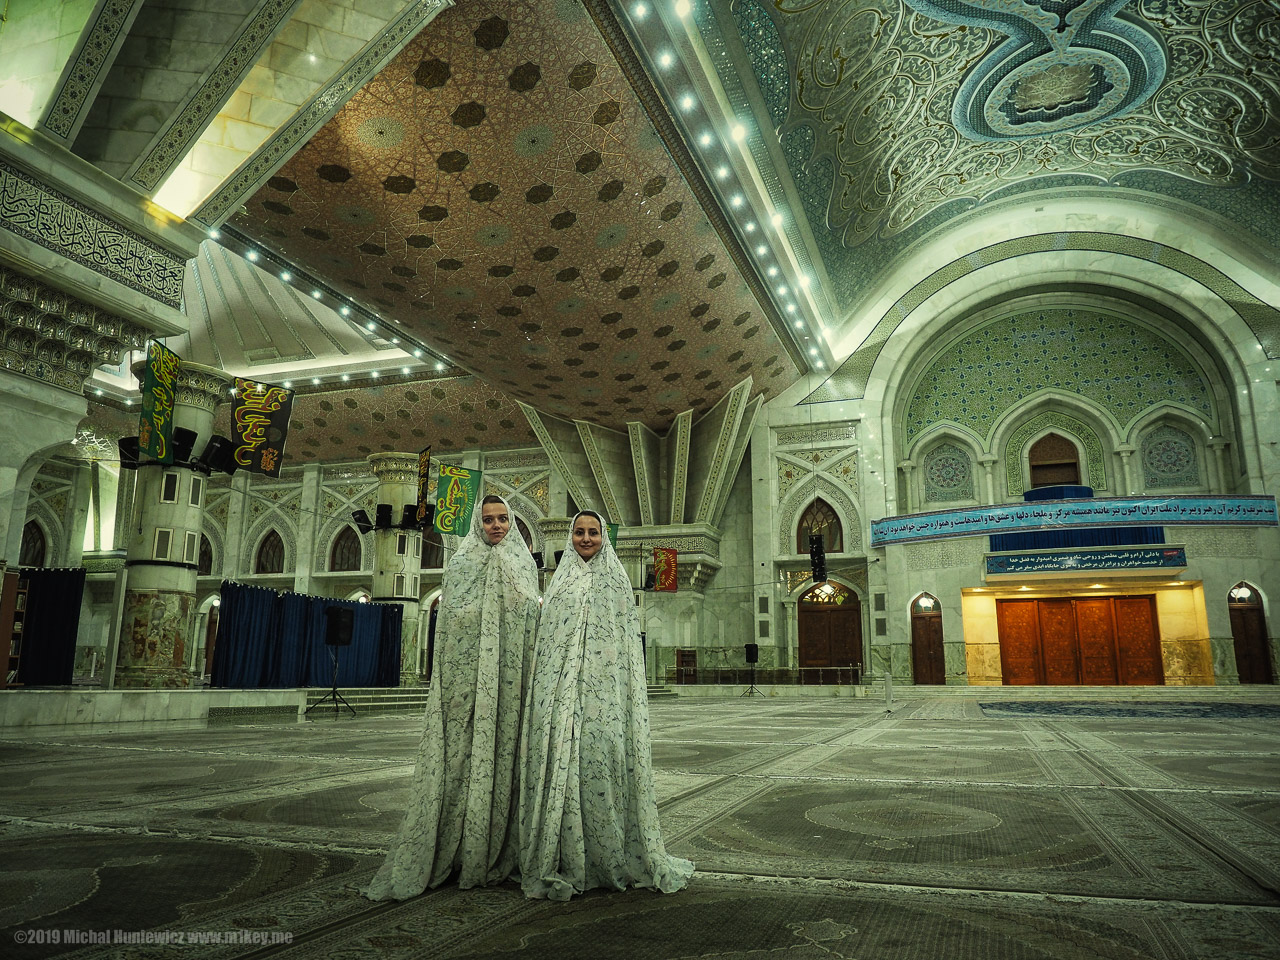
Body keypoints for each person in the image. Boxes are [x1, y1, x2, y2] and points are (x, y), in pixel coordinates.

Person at [366, 494, 540, 898]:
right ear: (478, 523)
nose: (496, 526)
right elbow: (449, 628)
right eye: (488, 519)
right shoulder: (461, 564)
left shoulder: (524, 566)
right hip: (466, 687)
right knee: (461, 762)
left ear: (512, 523)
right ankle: (460, 848)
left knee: (507, 759)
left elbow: (530, 628)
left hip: (509, 689)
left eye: (502, 519)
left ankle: (503, 847)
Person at [518, 510, 693, 900]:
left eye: (593, 532)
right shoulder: (560, 583)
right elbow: (548, 645)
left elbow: (626, 648)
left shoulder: (617, 582)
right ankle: (565, 855)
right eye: (579, 532)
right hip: (562, 698)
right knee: (565, 770)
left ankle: (606, 855)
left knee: (601, 766)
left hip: (604, 699)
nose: (585, 538)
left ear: (603, 537)